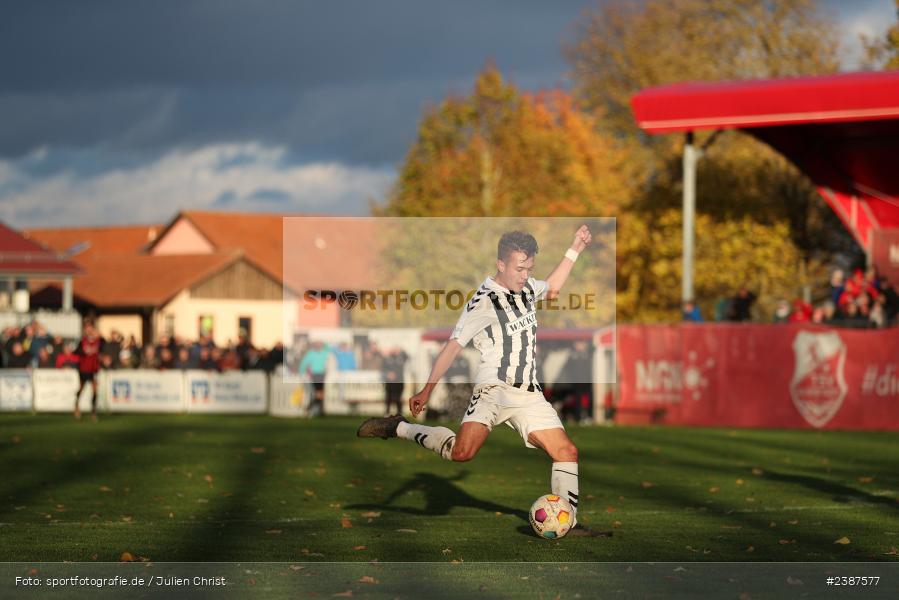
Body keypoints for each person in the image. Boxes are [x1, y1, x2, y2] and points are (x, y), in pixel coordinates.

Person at [357, 226, 600, 536]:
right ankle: (399, 427)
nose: (525, 275)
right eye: (519, 268)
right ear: (501, 264)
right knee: (461, 453)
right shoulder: (483, 302)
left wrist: (575, 247)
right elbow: (453, 346)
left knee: (567, 453)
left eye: (529, 268)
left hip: (528, 394)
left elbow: (551, 289)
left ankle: (569, 521)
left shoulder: (526, 289)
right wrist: (427, 389)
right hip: (493, 391)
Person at [74, 320, 104, 421]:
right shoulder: (82, 341)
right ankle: (76, 405)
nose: (89, 330)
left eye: (90, 328)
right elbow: (76, 352)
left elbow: (104, 347)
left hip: (94, 368)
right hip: (83, 368)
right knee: (82, 388)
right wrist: (84, 352)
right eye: (87, 329)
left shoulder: (98, 341)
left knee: (95, 390)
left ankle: (94, 412)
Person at [299, 340, 330, 416]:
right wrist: (302, 373)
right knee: (318, 393)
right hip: (315, 374)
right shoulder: (311, 353)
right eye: (317, 344)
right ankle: (310, 408)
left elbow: (329, 348)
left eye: (320, 344)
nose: (318, 346)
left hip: (322, 374)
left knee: (321, 393)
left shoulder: (324, 353)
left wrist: (323, 343)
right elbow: (304, 363)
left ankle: (319, 410)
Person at [381, 347, 408, 416]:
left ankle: (399, 413)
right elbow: (383, 368)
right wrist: (388, 374)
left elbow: (406, 357)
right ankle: (387, 413)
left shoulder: (400, 358)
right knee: (388, 398)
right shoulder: (387, 359)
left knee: (398, 398)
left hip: (399, 382)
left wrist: (401, 350)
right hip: (390, 382)